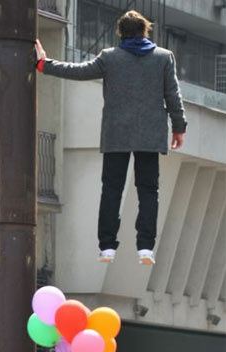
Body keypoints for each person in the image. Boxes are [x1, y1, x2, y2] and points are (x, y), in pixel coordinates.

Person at [35, 10, 186, 266]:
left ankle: (107, 247)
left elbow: (79, 71)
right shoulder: (163, 58)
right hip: (150, 135)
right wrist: (179, 127)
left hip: (117, 133)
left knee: (112, 190)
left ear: (121, 32)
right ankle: (146, 248)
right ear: (144, 30)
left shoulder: (110, 58)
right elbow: (173, 95)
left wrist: (44, 64)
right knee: (148, 191)